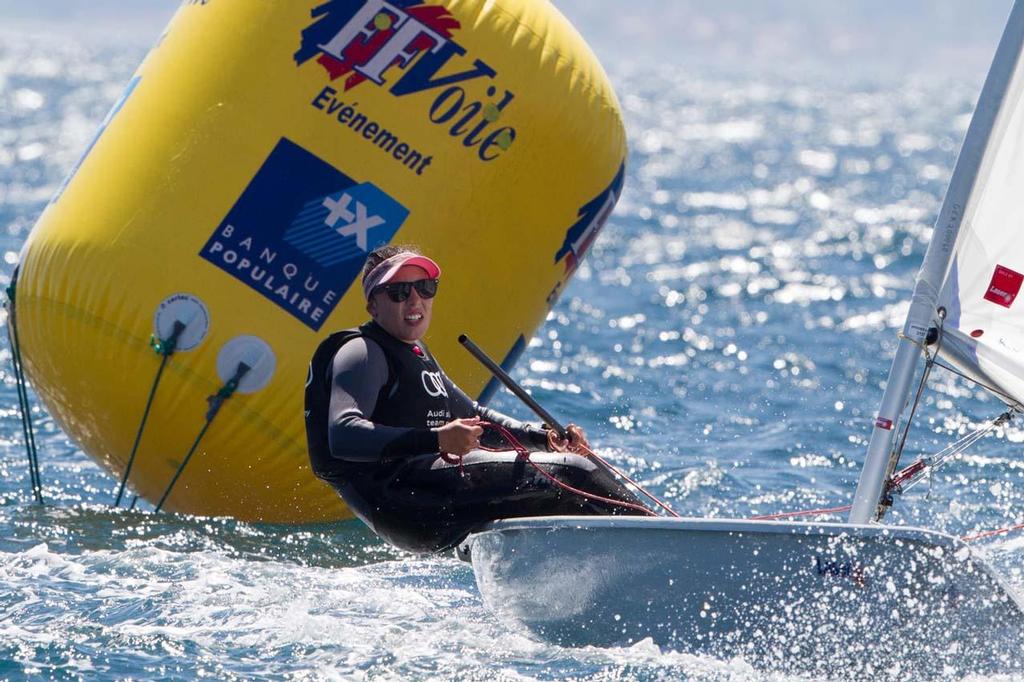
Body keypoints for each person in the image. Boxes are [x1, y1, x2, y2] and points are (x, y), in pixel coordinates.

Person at [305, 244, 648, 552]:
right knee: (574, 474)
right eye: (398, 292)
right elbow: (345, 434)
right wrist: (437, 438)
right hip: (402, 500)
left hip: (427, 494)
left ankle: (611, 566)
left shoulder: (414, 353)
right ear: (373, 305)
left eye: (425, 288)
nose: (414, 300)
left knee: (558, 489)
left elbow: (477, 416)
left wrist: (545, 438)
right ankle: (661, 537)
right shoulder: (361, 352)